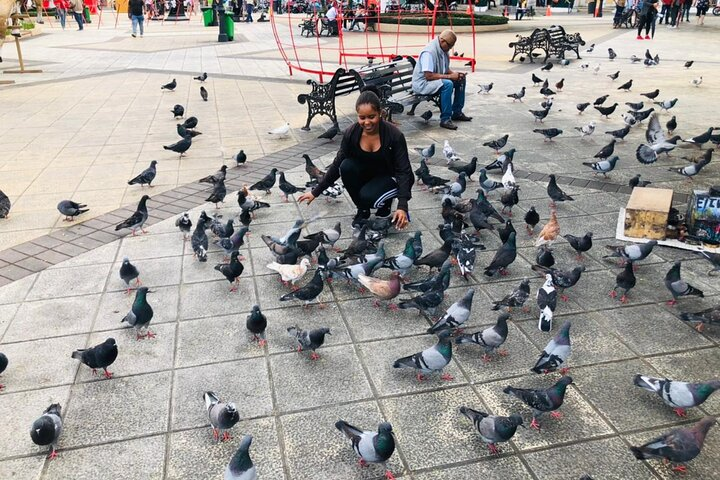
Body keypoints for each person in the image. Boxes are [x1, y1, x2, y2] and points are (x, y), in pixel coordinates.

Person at [297, 88, 413, 230]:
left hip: (391, 176)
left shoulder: (394, 135)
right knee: (346, 166)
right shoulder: (351, 133)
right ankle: (363, 210)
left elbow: (404, 171)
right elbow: (337, 164)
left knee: (369, 197)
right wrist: (316, 191)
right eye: (362, 118)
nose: (367, 122)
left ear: (380, 113)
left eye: (371, 116)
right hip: (370, 174)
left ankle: (386, 206)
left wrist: (402, 206)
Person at [411, 29, 472, 131]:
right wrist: (450, 77)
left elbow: (445, 69)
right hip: (423, 84)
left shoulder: (443, 50)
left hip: (432, 81)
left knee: (460, 79)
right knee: (447, 84)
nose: (450, 48)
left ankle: (457, 112)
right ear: (442, 41)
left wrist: (455, 74)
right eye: (449, 46)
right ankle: (445, 119)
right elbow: (428, 76)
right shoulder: (429, 52)